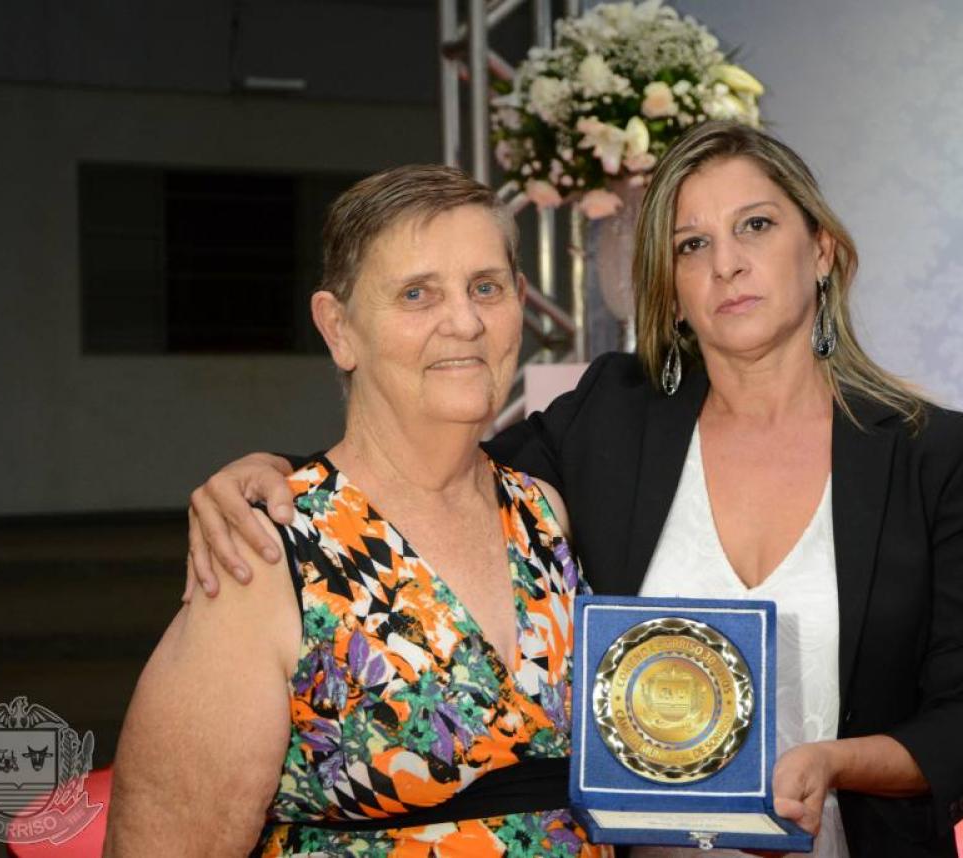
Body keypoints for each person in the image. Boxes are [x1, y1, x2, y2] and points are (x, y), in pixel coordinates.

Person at [187, 121, 963, 858]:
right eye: (691, 245)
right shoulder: (613, 417)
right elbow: (435, 478)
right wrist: (280, 473)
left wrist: (836, 764)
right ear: (673, 289)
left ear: (823, 250)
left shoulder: (934, 456)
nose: (727, 264)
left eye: (756, 226)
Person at [104, 165, 607, 857]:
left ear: (520, 303)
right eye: (416, 294)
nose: (465, 322)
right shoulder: (270, 552)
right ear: (338, 328)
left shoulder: (545, 514)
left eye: (485, 288)